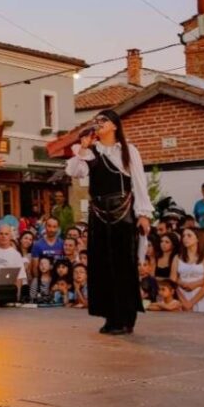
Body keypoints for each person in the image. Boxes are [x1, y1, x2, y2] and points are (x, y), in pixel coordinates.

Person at [65, 110, 152, 335]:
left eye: (103, 120)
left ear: (114, 125)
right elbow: (75, 171)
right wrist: (83, 148)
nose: (98, 124)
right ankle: (110, 316)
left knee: (123, 264)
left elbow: (139, 182)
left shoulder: (127, 151)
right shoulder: (90, 152)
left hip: (122, 212)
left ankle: (125, 316)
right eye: (96, 121)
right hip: (99, 212)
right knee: (102, 264)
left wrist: (143, 213)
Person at [173, 227, 204, 314]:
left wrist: (191, 303)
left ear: (197, 238)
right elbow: (172, 280)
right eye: (183, 236)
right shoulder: (177, 257)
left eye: (189, 236)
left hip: (202, 297)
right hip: (183, 295)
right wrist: (184, 301)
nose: (185, 238)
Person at [0, 224, 28, 299]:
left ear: (10, 236)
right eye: (1, 233)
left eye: (6, 234)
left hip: (6, 293)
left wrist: (17, 296)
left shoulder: (16, 255)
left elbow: (19, 278)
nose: (3, 236)